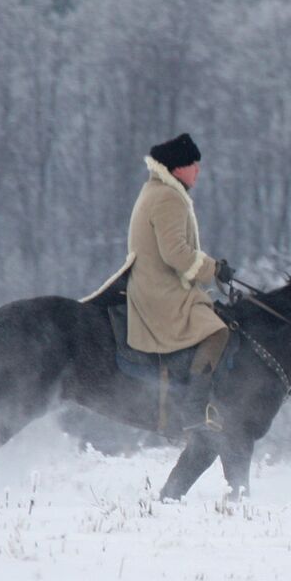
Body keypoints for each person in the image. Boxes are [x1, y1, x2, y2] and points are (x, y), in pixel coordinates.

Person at [83, 133, 235, 431]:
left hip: (156, 287)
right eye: (192, 164)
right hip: (162, 294)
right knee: (217, 331)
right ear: (177, 168)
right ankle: (194, 411)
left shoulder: (155, 190)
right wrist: (214, 269)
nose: (197, 170)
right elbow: (175, 253)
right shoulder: (168, 198)